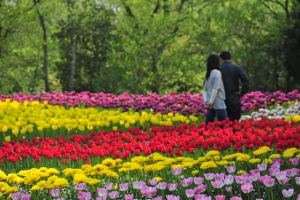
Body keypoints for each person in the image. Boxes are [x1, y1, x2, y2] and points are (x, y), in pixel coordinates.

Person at [219, 51, 249, 121]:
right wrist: (242, 92)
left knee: (223, 125)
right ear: (231, 59)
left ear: (220, 59)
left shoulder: (218, 69)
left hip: (221, 100)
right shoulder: (236, 68)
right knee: (234, 124)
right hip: (234, 99)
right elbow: (246, 79)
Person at [203, 54, 228, 124]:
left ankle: (204, 134)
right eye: (219, 60)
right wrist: (211, 102)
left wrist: (206, 101)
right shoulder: (217, 73)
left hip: (209, 102)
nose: (220, 62)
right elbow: (215, 88)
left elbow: (205, 89)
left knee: (209, 123)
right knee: (224, 122)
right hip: (217, 101)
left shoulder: (208, 73)